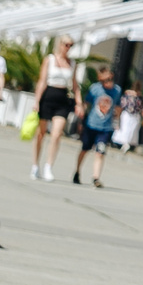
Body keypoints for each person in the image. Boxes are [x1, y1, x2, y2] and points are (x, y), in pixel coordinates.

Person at [32, 36, 78, 180]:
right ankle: (35, 165)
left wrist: (80, 103)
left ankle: (48, 166)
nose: (68, 48)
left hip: (62, 97)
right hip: (48, 95)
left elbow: (75, 85)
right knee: (41, 133)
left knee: (56, 134)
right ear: (60, 44)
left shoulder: (72, 63)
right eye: (66, 44)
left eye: (71, 45)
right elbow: (42, 80)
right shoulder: (50, 59)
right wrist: (37, 101)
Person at [73, 66, 120, 186]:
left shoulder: (117, 91)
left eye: (110, 79)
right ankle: (77, 172)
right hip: (91, 125)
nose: (108, 82)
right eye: (104, 80)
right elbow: (86, 103)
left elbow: (118, 107)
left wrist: (117, 121)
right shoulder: (95, 89)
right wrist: (80, 116)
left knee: (100, 152)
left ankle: (96, 178)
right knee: (84, 150)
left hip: (105, 128)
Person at [115, 85, 143, 155]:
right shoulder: (132, 96)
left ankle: (126, 144)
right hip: (129, 115)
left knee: (128, 130)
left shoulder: (136, 97)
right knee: (127, 130)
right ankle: (124, 143)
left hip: (131, 115)